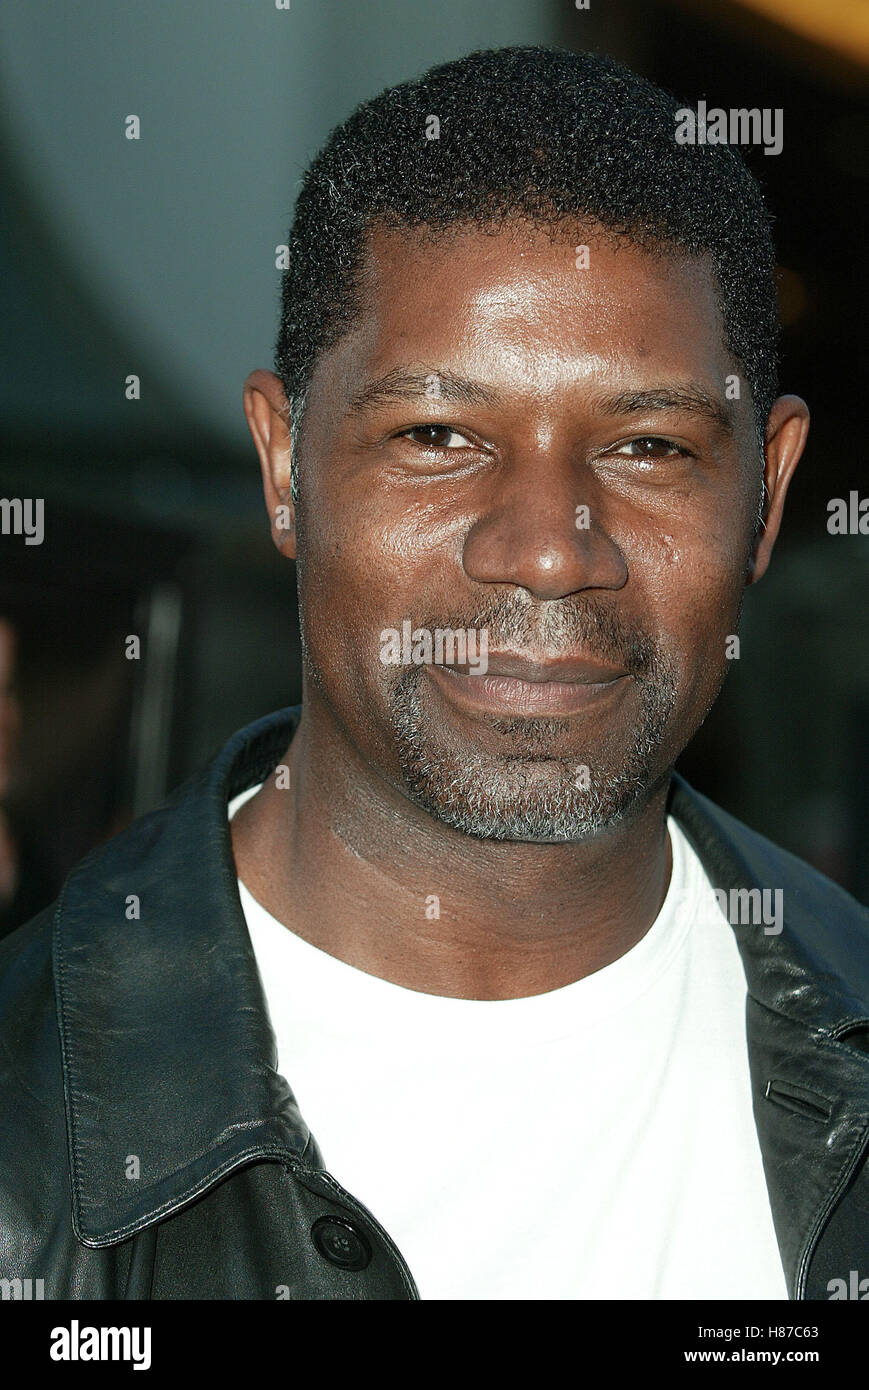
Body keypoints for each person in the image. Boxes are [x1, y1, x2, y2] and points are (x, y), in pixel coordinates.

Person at [1, 45, 867, 1302]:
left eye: (644, 443)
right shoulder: (27, 1150)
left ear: (767, 494)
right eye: (437, 436)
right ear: (285, 465)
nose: (546, 547)